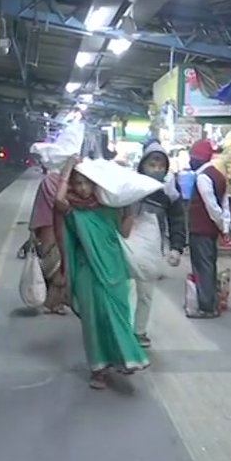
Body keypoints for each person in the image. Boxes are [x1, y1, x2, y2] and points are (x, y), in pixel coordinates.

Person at [55, 157, 150, 388]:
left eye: (87, 183)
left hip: (114, 269)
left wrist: (128, 206)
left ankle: (125, 359)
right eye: (77, 184)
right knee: (93, 319)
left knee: (117, 314)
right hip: (87, 270)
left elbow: (125, 233)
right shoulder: (73, 208)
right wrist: (67, 170)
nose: (82, 188)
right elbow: (58, 200)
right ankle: (98, 370)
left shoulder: (109, 207)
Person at [130, 143, 187, 347]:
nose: (156, 168)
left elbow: (177, 220)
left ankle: (139, 331)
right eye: (152, 163)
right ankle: (120, 329)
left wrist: (176, 247)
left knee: (145, 292)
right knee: (123, 290)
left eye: (160, 165)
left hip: (151, 249)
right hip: (126, 246)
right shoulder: (131, 185)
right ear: (143, 165)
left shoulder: (168, 192)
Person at [186, 139, 230, 319]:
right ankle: (210, 302)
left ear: (198, 158)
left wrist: (221, 226)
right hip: (210, 231)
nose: (190, 160)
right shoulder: (219, 176)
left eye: (192, 157)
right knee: (209, 265)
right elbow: (225, 205)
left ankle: (206, 306)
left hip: (201, 229)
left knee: (203, 266)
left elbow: (212, 207)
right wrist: (225, 227)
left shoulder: (203, 177)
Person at [26, 171, 68, 313]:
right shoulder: (52, 181)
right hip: (51, 231)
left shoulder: (49, 182)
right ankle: (52, 302)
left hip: (49, 230)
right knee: (56, 268)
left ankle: (54, 301)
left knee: (55, 267)